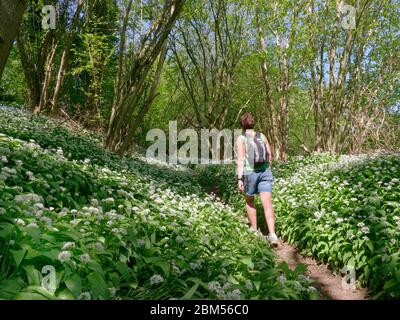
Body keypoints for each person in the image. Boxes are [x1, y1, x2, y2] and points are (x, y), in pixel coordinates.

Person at [236, 112, 279, 247]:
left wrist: (239, 178)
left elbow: (241, 160)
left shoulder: (241, 139)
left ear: (242, 125)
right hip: (265, 171)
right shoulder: (262, 136)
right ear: (253, 123)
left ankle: (254, 230)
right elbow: (270, 155)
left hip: (250, 173)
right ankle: (272, 234)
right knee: (267, 203)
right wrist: (267, 169)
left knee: (250, 201)